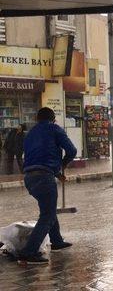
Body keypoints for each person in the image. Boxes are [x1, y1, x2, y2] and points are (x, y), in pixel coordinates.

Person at [20, 107, 77, 264]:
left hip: (29, 178)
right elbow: (72, 150)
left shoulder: (30, 133)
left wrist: (56, 172)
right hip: (44, 177)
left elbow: (37, 157)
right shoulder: (54, 129)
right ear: (53, 119)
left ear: (38, 119)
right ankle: (29, 252)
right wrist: (61, 166)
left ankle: (57, 241)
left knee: (48, 210)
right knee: (47, 215)